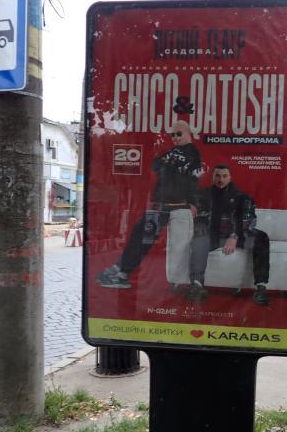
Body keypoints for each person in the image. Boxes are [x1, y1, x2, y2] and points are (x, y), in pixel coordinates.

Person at [97, 120, 202, 288]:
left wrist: (193, 202)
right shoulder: (172, 151)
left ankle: (124, 272)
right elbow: (155, 165)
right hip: (162, 205)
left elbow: (189, 177)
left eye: (179, 134)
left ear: (188, 134)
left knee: (177, 246)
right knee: (141, 234)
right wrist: (169, 161)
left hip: (179, 206)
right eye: (172, 135)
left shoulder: (193, 153)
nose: (175, 137)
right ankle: (121, 270)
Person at [186, 164, 271, 306]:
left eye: (224, 176)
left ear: (230, 177)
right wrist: (189, 206)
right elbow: (191, 206)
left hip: (238, 236)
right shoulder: (203, 195)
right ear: (213, 177)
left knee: (261, 237)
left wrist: (235, 236)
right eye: (217, 176)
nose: (221, 179)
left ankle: (261, 287)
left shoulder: (242, 197)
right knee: (199, 238)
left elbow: (249, 218)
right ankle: (196, 285)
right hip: (213, 236)